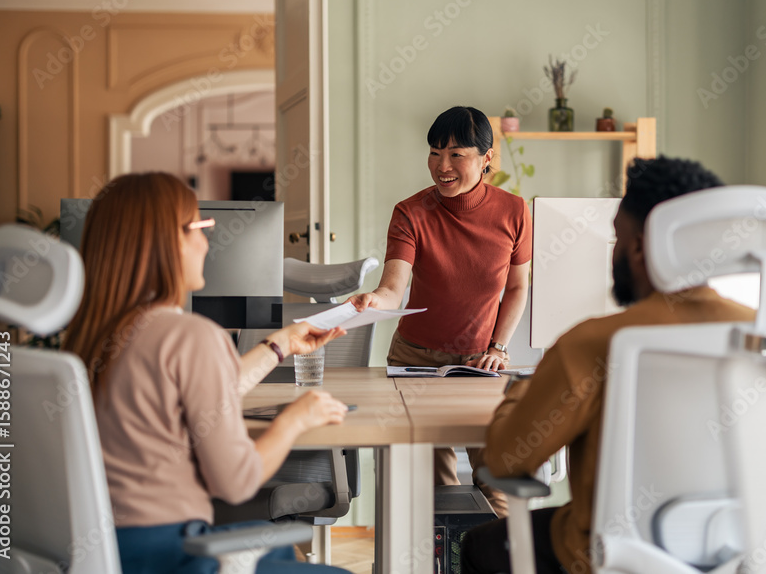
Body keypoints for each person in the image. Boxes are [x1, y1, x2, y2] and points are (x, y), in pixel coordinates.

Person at [459, 156, 756, 574]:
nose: (613, 252)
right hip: (737, 553)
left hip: (604, 557)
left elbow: (507, 460)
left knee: (480, 545)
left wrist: (519, 390)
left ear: (638, 245)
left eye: (616, 238)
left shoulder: (594, 342)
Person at [64, 172, 353, 574]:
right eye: (198, 227)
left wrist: (280, 344)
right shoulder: (191, 335)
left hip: (107, 555)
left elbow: (201, 392)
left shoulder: (89, 339)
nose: (206, 241)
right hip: (178, 557)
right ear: (164, 242)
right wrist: (295, 420)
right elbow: (236, 481)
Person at [347, 106, 532, 516]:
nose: (441, 166)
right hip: (416, 359)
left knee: (495, 478)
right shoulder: (411, 212)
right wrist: (371, 301)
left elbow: (517, 287)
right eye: (434, 152)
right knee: (435, 489)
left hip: (480, 363)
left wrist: (499, 346)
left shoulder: (514, 212)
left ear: (487, 158)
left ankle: (500, 560)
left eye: (455, 155)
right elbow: (394, 287)